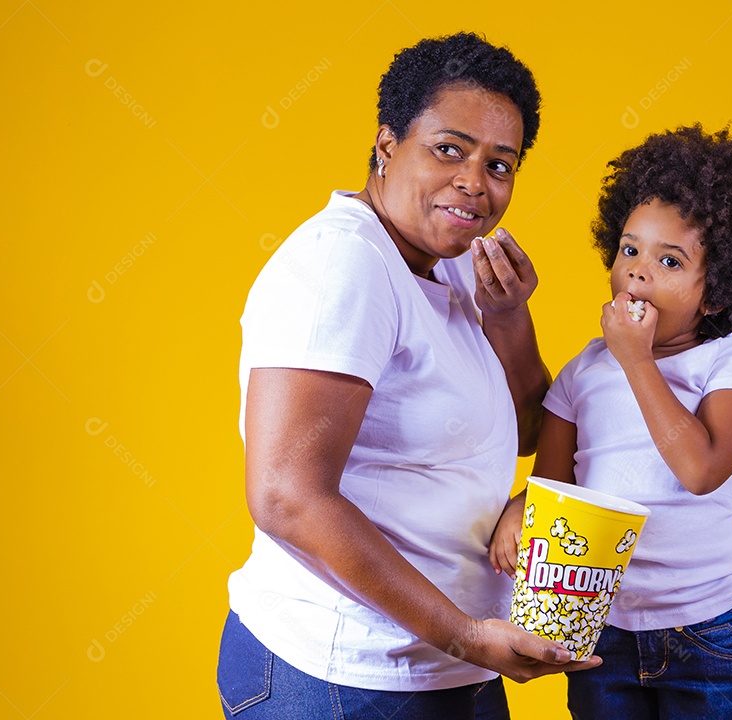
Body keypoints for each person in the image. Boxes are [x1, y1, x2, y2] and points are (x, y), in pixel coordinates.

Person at [217, 32, 599, 720]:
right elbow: (285, 495)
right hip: (344, 677)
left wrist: (509, 317)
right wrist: (468, 636)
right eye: (448, 149)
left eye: (500, 164)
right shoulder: (345, 267)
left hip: (447, 670)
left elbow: (529, 430)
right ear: (387, 144)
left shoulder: (446, 263)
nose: (475, 183)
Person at [490, 124, 732, 719]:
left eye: (669, 261)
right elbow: (555, 485)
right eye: (630, 250)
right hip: (604, 628)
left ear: (715, 294)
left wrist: (635, 356)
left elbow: (701, 469)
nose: (637, 272)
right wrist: (519, 506)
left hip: (708, 629)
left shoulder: (730, 360)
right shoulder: (585, 369)